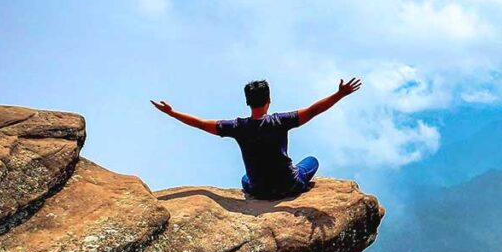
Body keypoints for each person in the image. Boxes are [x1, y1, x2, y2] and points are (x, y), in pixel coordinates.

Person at [150, 77, 362, 199]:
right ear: (269, 100)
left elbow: (200, 123)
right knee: (312, 161)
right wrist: (340, 94)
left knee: (245, 179)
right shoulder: (281, 121)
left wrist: (171, 112)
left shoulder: (237, 127)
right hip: (289, 185)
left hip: (259, 190)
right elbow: (313, 110)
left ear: (247, 102)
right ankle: (298, 181)